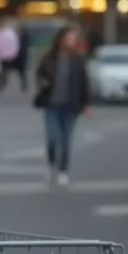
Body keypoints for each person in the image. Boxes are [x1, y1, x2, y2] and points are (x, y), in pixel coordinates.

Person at [33, 25, 91, 186]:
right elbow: (39, 74)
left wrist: (86, 103)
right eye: (68, 38)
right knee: (53, 138)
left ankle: (63, 170)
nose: (70, 41)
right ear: (60, 39)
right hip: (52, 105)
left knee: (66, 140)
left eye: (73, 38)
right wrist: (42, 82)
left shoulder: (78, 60)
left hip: (70, 106)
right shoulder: (50, 58)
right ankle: (52, 165)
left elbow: (84, 82)